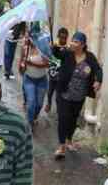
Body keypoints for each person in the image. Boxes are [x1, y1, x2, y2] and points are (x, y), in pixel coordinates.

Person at [54, 31, 103, 159]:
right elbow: (56, 53)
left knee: (72, 119)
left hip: (79, 97)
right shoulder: (67, 54)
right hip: (64, 93)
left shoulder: (89, 57)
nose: (73, 43)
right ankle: (61, 146)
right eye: (73, 41)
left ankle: (69, 140)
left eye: (76, 42)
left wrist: (98, 80)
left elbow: (98, 69)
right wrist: (56, 45)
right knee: (63, 119)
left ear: (83, 45)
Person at [21, 34, 50, 130]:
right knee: (31, 102)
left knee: (39, 104)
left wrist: (31, 63)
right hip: (29, 79)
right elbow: (21, 63)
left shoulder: (43, 49)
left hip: (42, 80)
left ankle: (34, 117)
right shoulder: (25, 48)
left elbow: (47, 64)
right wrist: (22, 66)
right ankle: (29, 123)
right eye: (28, 38)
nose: (29, 40)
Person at [46, 27, 69, 113]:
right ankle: (48, 103)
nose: (63, 40)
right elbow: (49, 56)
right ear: (58, 36)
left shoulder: (67, 48)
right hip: (53, 73)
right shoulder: (53, 46)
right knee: (50, 92)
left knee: (58, 95)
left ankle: (59, 109)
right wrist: (52, 49)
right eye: (61, 37)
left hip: (61, 74)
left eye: (65, 38)